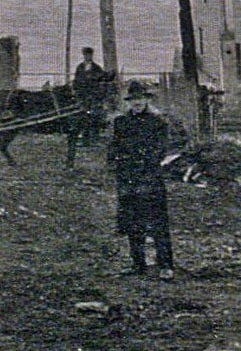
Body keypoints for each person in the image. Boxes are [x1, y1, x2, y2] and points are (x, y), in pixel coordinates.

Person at [108, 81, 175, 280]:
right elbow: (114, 149)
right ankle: (138, 264)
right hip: (128, 179)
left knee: (157, 223)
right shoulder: (121, 122)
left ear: (147, 100)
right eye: (133, 100)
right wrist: (120, 165)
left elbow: (160, 150)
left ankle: (165, 265)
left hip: (150, 178)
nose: (137, 103)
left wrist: (144, 164)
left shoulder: (158, 122)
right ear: (129, 102)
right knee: (132, 223)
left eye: (140, 99)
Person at [72, 47, 109, 143]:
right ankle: (85, 138)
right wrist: (76, 92)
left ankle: (95, 138)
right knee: (84, 117)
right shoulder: (80, 67)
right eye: (86, 55)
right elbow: (76, 81)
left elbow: (103, 81)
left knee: (94, 117)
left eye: (89, 55)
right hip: (83, 97)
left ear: (92, 55)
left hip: (94, 97)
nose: (87, 56)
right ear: (83, 55)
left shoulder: (97, 68)